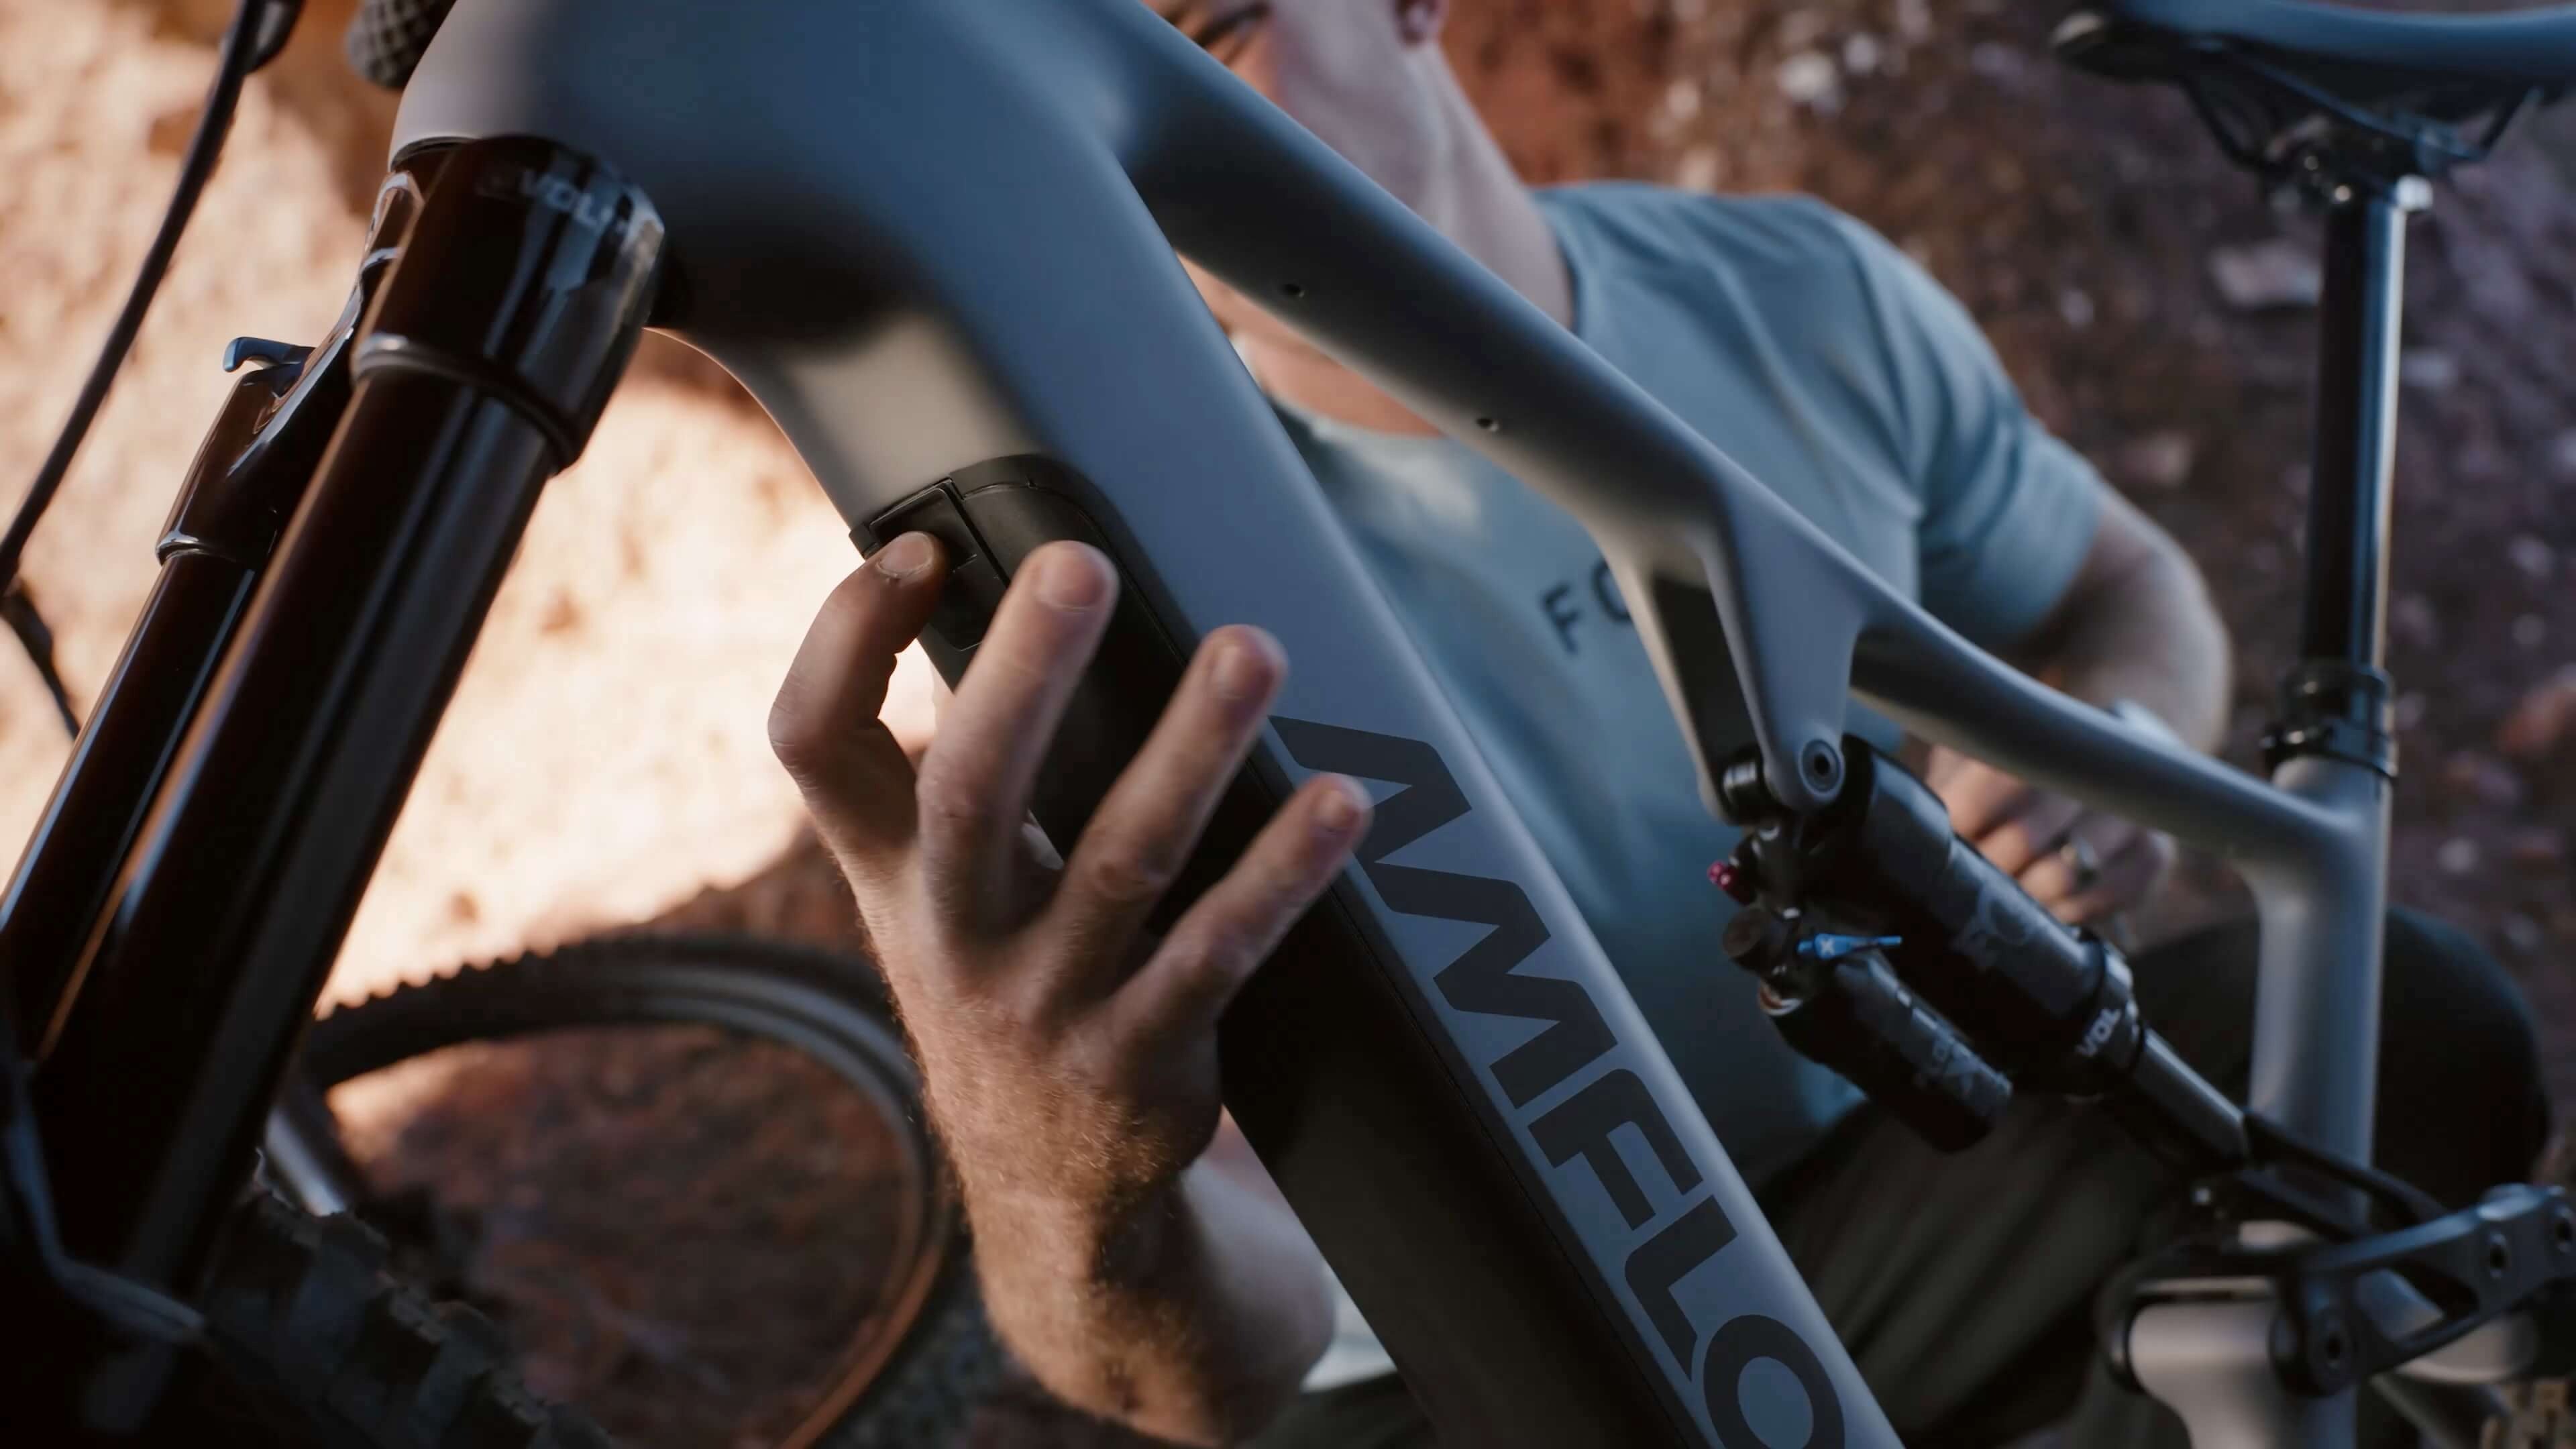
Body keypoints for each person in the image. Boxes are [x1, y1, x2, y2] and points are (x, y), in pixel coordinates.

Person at [764, 1, 2552, 1445]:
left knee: (2402, 1031)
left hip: (1890, 1182)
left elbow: (2124, 582)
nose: (1128, 135)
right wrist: (1062, 1169)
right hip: (1486, 1364)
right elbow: (1207, 1373)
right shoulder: (1127, 603)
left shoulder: (1799, 297)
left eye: (1199, 32)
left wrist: (2113, 738)